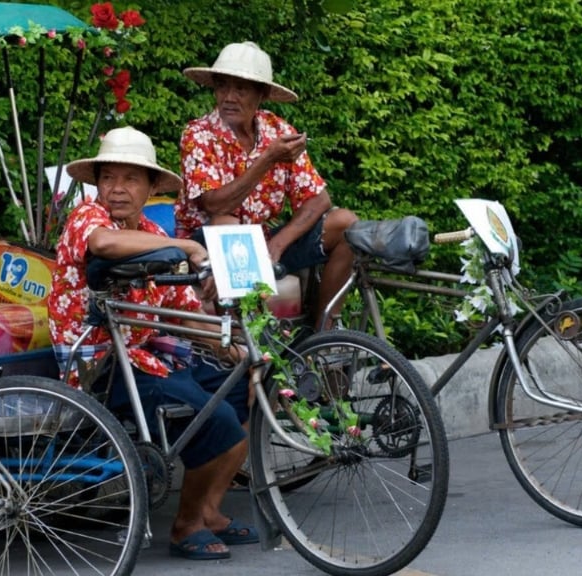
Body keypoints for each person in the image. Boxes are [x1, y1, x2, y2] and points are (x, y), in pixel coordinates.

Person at [47, 126, 257, 561]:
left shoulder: (147, 231)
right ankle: (183, 528)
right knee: (212, 417)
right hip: (100, 369)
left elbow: (185, 313)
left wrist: (235, 350)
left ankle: (209, 512)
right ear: (97, 183)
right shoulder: (89, 218)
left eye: (130, 179)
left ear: (150, 188)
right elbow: (104, 244)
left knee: (235, 387)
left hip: (145, 358)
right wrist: (184, 245)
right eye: (109, 178)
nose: (117, 189)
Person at [175, 41, 358, 330]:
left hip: (263, 242)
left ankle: (324, 333)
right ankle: (249, 348)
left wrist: (278, 243)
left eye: (241, 89)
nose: (229, 97)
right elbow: (215, 205)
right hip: (206, 241)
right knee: (227, 220)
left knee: (346, 223)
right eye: (222, 86)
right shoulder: (198, 134)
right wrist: (267, 160)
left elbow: (318, 198)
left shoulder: (279, 130)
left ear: (261, 95)